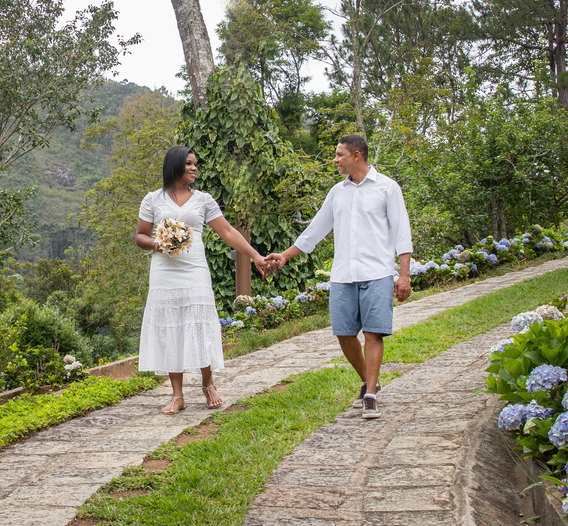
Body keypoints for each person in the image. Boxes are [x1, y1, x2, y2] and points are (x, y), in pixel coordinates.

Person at [266, 134, 412, 419]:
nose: (335, 160)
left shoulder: (387, 188)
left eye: (339, 155)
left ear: (356, 156)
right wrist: (284, 255)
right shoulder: (337, 192)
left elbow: (401, 232)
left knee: (373, 332)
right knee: (344, 333)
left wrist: (403, 274)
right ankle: (369, 380)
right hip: (343, 274)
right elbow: (315, 231)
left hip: (378, 272)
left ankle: (370, 394)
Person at [136, 146, 270, 414]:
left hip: (195, 269)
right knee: (170, 326)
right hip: (164, 272)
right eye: (188, 164)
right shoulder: (153, 200)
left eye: (195, 164)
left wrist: (255, 255)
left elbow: (228, 232)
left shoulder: (204, 200)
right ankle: (177, 395)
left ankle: (208, 384)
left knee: (198, 325)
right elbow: (140, 236)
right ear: (175, 165)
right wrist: (158, 243)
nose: (194, 168)